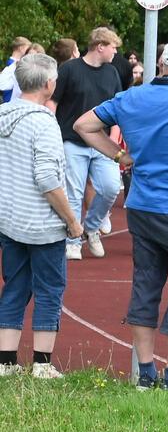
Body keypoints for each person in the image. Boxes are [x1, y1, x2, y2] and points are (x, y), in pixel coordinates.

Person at [73, 39, 168, 390]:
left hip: (143, 206)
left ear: (161, 65)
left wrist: (119, 155)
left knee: (146, 283)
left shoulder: (131, 97)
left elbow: (84, 125)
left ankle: (145, 372)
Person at [0, 54, 83, 378]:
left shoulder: (2, 115)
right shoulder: (44, 123)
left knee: (15, 286)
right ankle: (42, 363)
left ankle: (5, 361)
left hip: (9, 217)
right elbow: (48, 178)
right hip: (43, 223)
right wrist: (72, 221)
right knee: (49, 288)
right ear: (49, 84)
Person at [54, 27, 125, 261]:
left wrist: (114, 137)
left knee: (111, 187)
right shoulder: (69, 70)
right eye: (113, 46)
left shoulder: (112, 72)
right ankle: (72, 241)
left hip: (102, 142)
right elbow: (53, 103)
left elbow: (117, 109)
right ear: (100, 46)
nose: (115, 51)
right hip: (72, 141)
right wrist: (53, 135)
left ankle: (91, 227)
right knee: (73, 193)